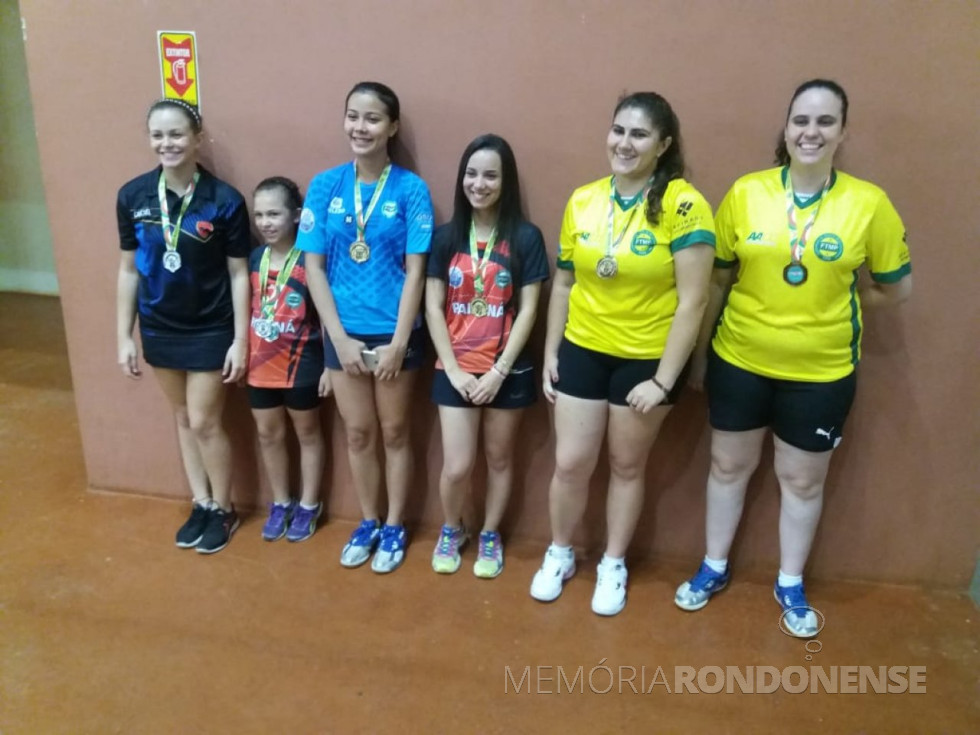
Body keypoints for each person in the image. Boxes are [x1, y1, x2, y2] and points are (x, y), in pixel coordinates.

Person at [674, 79, 912, 637]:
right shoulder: (746, 193)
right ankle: (713, 566)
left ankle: (790, 581)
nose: (811, 131)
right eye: (801, 120)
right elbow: (718, 280)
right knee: (728, 467)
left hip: (821, 373)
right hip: (740, 359)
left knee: (801, 482)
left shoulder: (867, 203)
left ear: (842, 132)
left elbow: (895, 288)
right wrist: (701, 361)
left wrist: (843, 300)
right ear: (785, 127)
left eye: (825, 121)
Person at [530, 92, 716, 615]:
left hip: (646, 359)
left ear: (663, 145)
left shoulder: (684, 204)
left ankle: (613, 563)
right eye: (618, 130)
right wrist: (551, 351)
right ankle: (560, 552)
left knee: (626, 465)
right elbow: (564, 283)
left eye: (639, 134)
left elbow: (694, 299)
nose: (624, 143)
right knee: (570, 463)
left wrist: (662, 381)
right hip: (585, 349)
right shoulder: (584, 199)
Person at [296, 81, 434, 573]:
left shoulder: (411, 189)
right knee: (358, 433)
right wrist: (338, 339)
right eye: (353, 116)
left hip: (396, 335)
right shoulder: (325, 186)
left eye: (372, 118)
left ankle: (396, 524)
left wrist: (400, 342)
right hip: (342, 335)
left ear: (392, 127)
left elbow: (417, 271)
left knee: (395, 431)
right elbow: (312, 268)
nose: (361, 127)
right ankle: (369, 519)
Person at [116, 99, 250, 554]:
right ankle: (202, 500)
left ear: (197, 139)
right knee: (181, 418)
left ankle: (224, 509)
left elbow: (238, 275)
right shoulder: (132, 197)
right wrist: (124, 336)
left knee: (204, 421)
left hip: (211, 328)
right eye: (158, 135)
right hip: (159, 327)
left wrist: (240, 339)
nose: (166, 143)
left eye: (176, 134)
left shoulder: (225, 201)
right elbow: (129, 271)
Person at [424, 134, 549, 578]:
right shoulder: (445, 238)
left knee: (499, 459)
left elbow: (530, 308)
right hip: (454, 368)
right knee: (457, 465)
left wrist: (499, 371)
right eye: (471, 174)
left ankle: (490, 533)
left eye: (490, 175)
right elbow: (432, 307)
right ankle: (452, 528)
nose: (479, 183)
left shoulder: (525, 237)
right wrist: (455, 371)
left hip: (507, 369)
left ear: (506, 181)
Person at [247, 177, 331, 542]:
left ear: (296, 216)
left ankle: (310, 503)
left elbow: (328, 314)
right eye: (259, 214)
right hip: (259, 364)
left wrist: (330, 363)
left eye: (274, 214)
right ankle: (281, 501)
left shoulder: (310, 259)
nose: (265, 222)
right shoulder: (255, 258)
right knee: (268, 434)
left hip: (302, 365)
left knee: (308, 434)